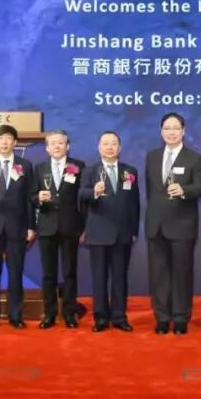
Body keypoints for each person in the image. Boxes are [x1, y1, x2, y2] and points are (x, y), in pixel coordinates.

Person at [144, 112, 201, 335]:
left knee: (182, 274)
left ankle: (181, 318)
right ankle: (162, 317)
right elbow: (151, 192)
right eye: (167, 128)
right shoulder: (152, 156)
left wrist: (184, 190)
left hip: (182, 225)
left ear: (183, 131)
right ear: (161, 132)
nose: (171, 132)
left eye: (175, 128)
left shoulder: (195, 158)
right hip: (156, 225)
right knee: (158, 275)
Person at [78, 131, 140, 332]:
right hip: (98, 232)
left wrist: (133, 229)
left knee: (120, 277)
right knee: (99, 277)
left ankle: (119, 316)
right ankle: (100, 317)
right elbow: (81, 195)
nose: (110, 147)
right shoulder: (89, 171)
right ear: (99, 148)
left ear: (119, 148)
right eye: (105, 143)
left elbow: (134, 203)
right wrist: (94, 192)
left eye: (114, 143)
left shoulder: (129, 171)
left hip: (123, 233)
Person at [0, 124, 35, 329]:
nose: (4, 142)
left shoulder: (25, 165)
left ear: (15, 142)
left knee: (15, 273)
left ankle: (15, 316)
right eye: (0, 138)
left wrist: (31, 226)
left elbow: (29, 198)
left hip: (17, 227)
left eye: (9, 138)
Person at [32, 130, 85, 329]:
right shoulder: (40, 168)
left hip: (70, 226)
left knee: (70, 272)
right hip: (47, 226)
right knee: (48, 273)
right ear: (47, 148)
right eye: (52, 143)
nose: (56, 146)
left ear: (67, 146)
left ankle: (69, 313)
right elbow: (31, 197)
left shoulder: (78, 166)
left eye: (60, 143)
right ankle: (49, 314)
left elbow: (83, 199)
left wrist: (83, 227)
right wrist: (38, 198)